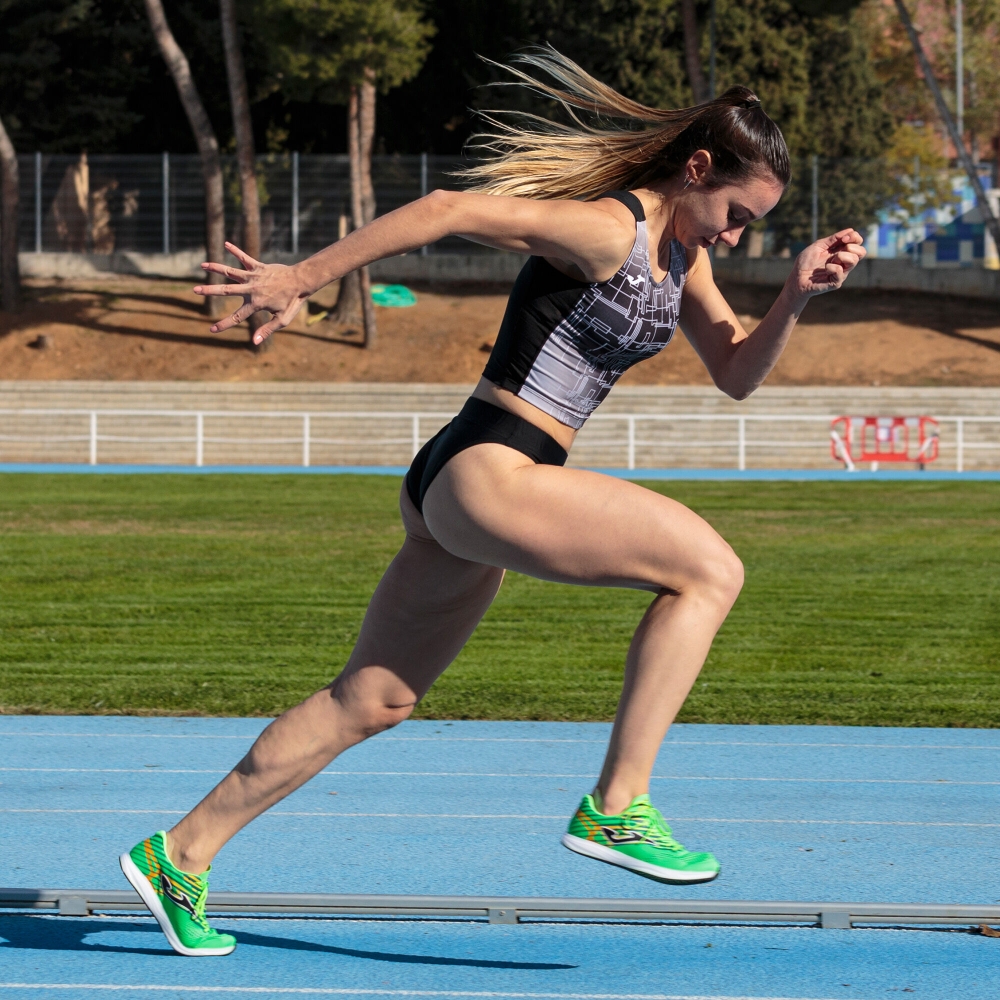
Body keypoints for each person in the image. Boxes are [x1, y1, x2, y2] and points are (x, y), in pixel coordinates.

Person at [119, 49, 865, 956]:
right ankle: (617, 807)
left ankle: (180, 853)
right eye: (736, 216)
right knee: (710, 570)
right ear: (698, 171)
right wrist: (300, 278)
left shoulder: (684, 261)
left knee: (375, 697)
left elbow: (739, 374)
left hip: (466, 479)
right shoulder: (605, 228)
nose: (735, 238)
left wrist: (794, 295)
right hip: (491, 466)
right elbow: (446, 210)